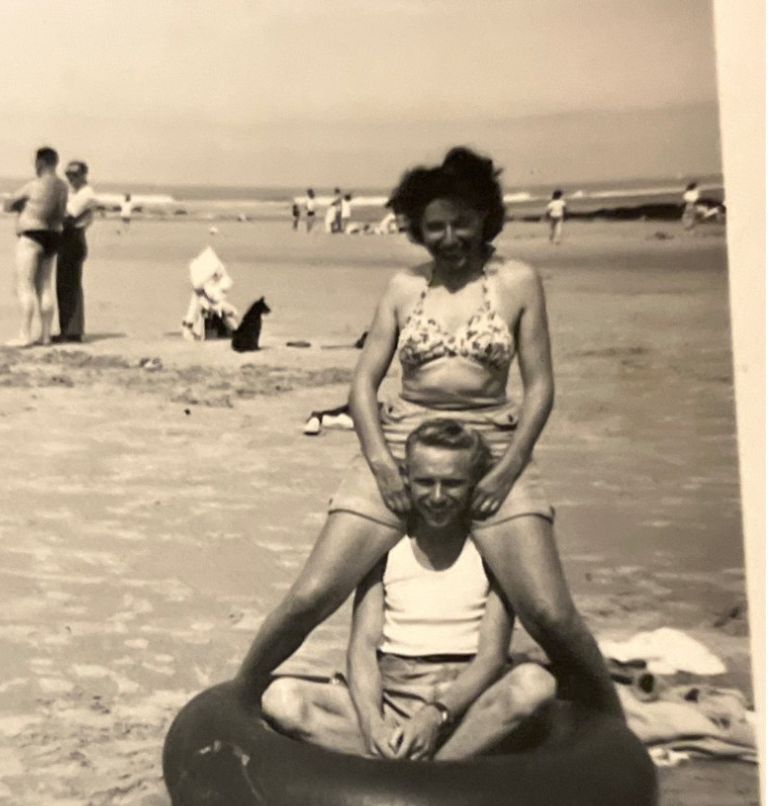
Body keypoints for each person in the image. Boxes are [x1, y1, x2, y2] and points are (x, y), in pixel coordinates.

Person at [235, 146, 622, 720]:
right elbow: (363, 384)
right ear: (417, 228)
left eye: (461, 222)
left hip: (492, 443)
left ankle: (610, 725)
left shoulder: (518, 282)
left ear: (486, 217)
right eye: (434, 226)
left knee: (548, 611)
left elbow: (539, 387)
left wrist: (511, 466)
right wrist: (382, 466)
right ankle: (238, 698)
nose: (448, 237)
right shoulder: (401, 287)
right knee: (313, 593)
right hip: (401, 442)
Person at [262, 420, 555, 760]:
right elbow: (363, 648)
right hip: (392, 692)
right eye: (425, 482)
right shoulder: (386, 547)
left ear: (474, 485)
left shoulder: (491, 550)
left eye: (453, 484)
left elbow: (491, 657)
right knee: (282, 699)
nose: (437, 496)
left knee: (535, 684)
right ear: (406, 480)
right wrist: (373, 722)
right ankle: (408, 758)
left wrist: (435, 715)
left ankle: (427, 770)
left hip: (463, 703)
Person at [3, 146, 68, 347]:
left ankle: (25, 334)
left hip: (31, 235)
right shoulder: (62, 186)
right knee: (45, 286)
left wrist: (20, 207)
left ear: (40, 162)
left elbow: (8, 205)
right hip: (53, 235)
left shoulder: (33, 185)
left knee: (25, 286)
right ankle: (46, 335)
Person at [55, 160, 96, 343]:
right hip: (68, 237)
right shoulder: (75, 192)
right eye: (68, 174)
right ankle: (68, 329)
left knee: (70, 285)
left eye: (75, 174)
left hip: (74, 237)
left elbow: (68, 215)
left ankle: (73, 332)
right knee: (64, 284)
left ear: (84, 175)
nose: (71, 178)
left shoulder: (86, 194)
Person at [181, 238, 238, 340]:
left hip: (215, 306)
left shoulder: (220, 282)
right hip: (208, 306)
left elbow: (216, 297)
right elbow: (195, 308)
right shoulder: (203, 288)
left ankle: (231, 331)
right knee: (201, 309)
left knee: (225, 314)